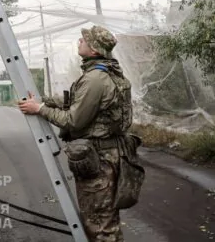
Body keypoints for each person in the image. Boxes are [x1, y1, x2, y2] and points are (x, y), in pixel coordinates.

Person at [17, 26, 134, 242]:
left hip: (100, 160)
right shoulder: (103, 73)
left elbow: (73, 120)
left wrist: (39, 109)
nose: (80, 40)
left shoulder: (95, 79)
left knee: (100, 226)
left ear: (95, 50)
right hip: (109, 155)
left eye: (85, 39)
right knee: (104, 221)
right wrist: (43, 101)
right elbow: (76, 101)